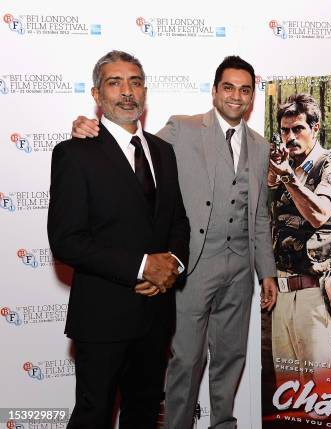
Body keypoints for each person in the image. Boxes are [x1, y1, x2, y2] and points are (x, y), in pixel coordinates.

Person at [71, 55, 278, 429]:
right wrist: (91, 128)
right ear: (214, 91)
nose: (236, 96)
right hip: (193, 266)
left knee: (232, 356)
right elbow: (132, 147)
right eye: (228, 87)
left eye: (244, 89)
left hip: (239, 270)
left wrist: (267, 272)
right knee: (186, 359)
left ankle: (223, 424)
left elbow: (260, 214)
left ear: (251, 97)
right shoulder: (182, 130)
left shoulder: (260, 147)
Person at [48, 50, 190, 428]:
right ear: (97, 95)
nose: (127, 92)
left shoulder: (164, 152)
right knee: (94, 416)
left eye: (135, 82)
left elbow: (178, 221)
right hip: (102, 317)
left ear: (145, 91)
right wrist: (143, 267)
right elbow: (66, 240)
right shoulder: (74, 154)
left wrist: (172, 265)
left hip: (156, 315)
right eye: (115, 82)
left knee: (143, 414)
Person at [267, 93, 331, 381]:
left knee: (319, 395)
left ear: (315, 128)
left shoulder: (329, 163)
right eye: (285, 130)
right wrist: (274, 175)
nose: (290, 136)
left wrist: (287, 178)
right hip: (281, 296)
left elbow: (319, 214)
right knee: (288, 392)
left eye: (298, 129)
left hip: (314, 294)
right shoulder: (286, 165)